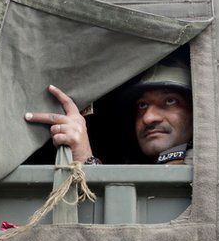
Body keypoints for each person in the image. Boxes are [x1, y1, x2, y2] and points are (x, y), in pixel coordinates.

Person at [24, 57, 193, 165]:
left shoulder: (204, 171)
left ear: (196, 113)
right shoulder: (129, 160)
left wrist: (85, 159)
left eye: (170, 101)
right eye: (142, 105)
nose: (148, 118)